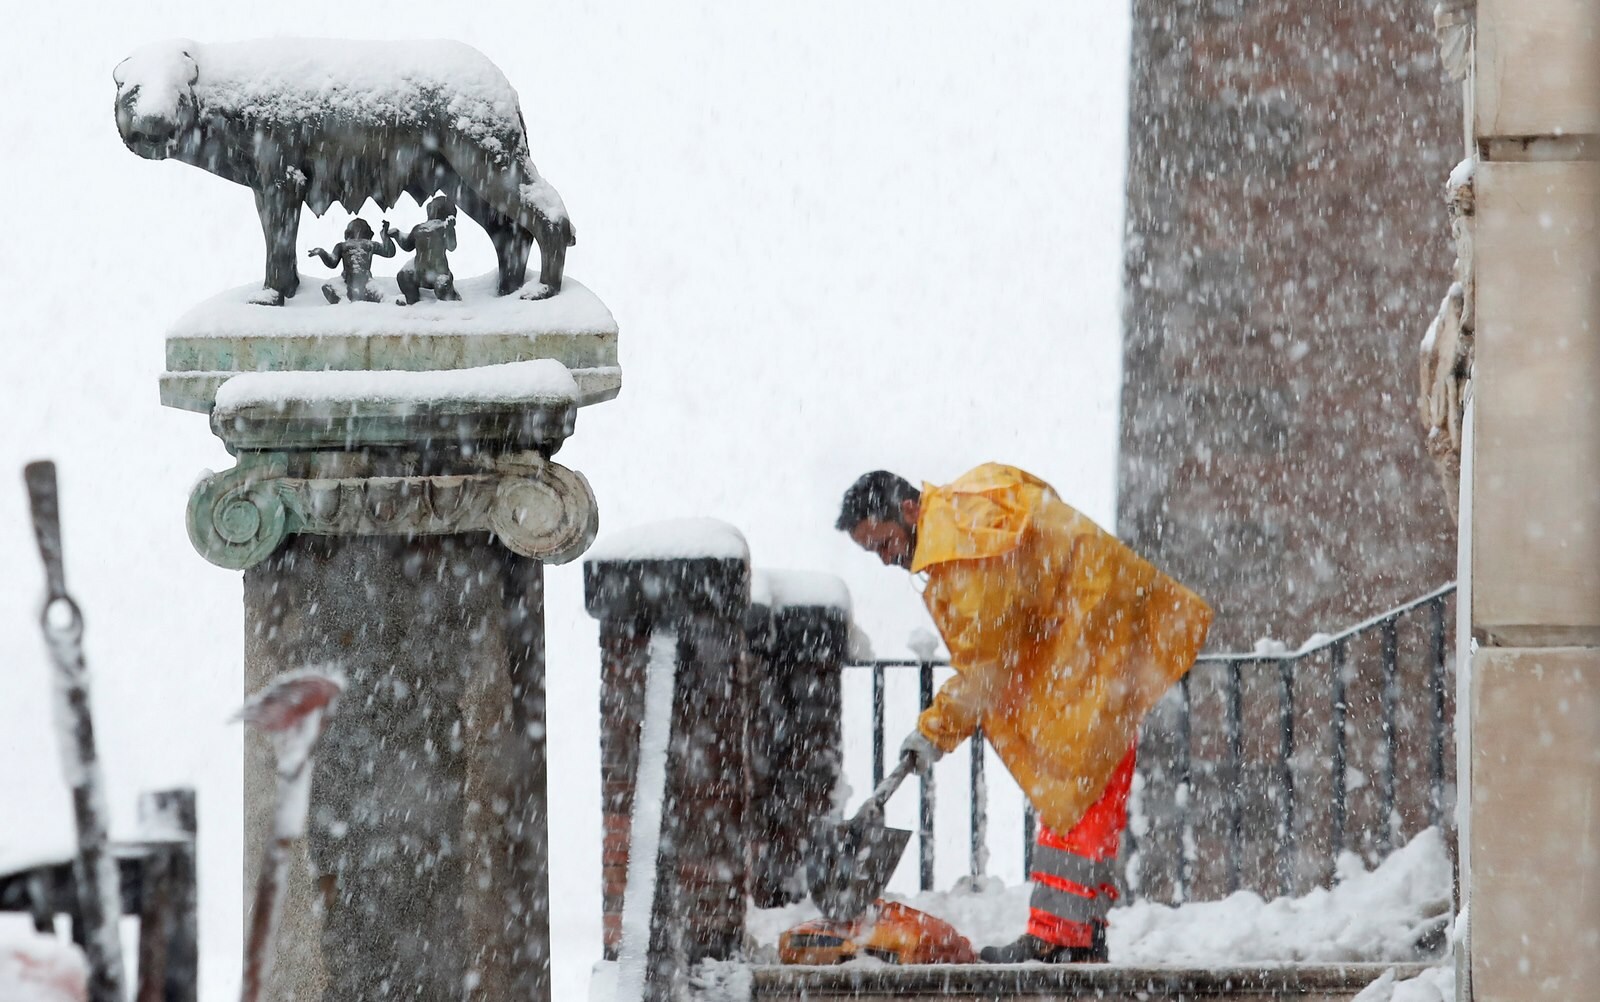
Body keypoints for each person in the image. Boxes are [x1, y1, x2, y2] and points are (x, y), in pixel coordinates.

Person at [836, 464, 1212, 963]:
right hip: (1098, 631)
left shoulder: (959, 542)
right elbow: (1040, 506)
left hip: (1092, 641)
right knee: (1079, 790)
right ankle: (1078, 935)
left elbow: (985, 669)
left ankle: (1059, 939)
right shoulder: (968, 501)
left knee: (1075, 789)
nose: (884, 559)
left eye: (882, 543)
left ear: (908, 510)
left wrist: (932, 733)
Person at [307, 218, 397, 304]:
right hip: (347, 282)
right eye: (356, 228)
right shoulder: (344, 246)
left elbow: (389, 252)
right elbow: (332, 262)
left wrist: (384, 235)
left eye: (359, 228)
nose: (357, 232)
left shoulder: (368, 244)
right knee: (327, 286)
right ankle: (344, 301)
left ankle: (388, 301)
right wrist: (321, 252)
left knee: (379, 293)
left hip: (365, 281)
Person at [394, 195, 462, 305]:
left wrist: (450, 230)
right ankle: (413, 302)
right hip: (419, 274)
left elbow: (451, 246)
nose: (433, 209)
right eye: (432, 206)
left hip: (439, 273)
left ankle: (452, 300)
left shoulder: (443, 227)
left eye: (437, 207)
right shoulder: (419, 228)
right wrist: (397, 235)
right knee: (403, 276)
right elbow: (407, 245)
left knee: (442, 286)